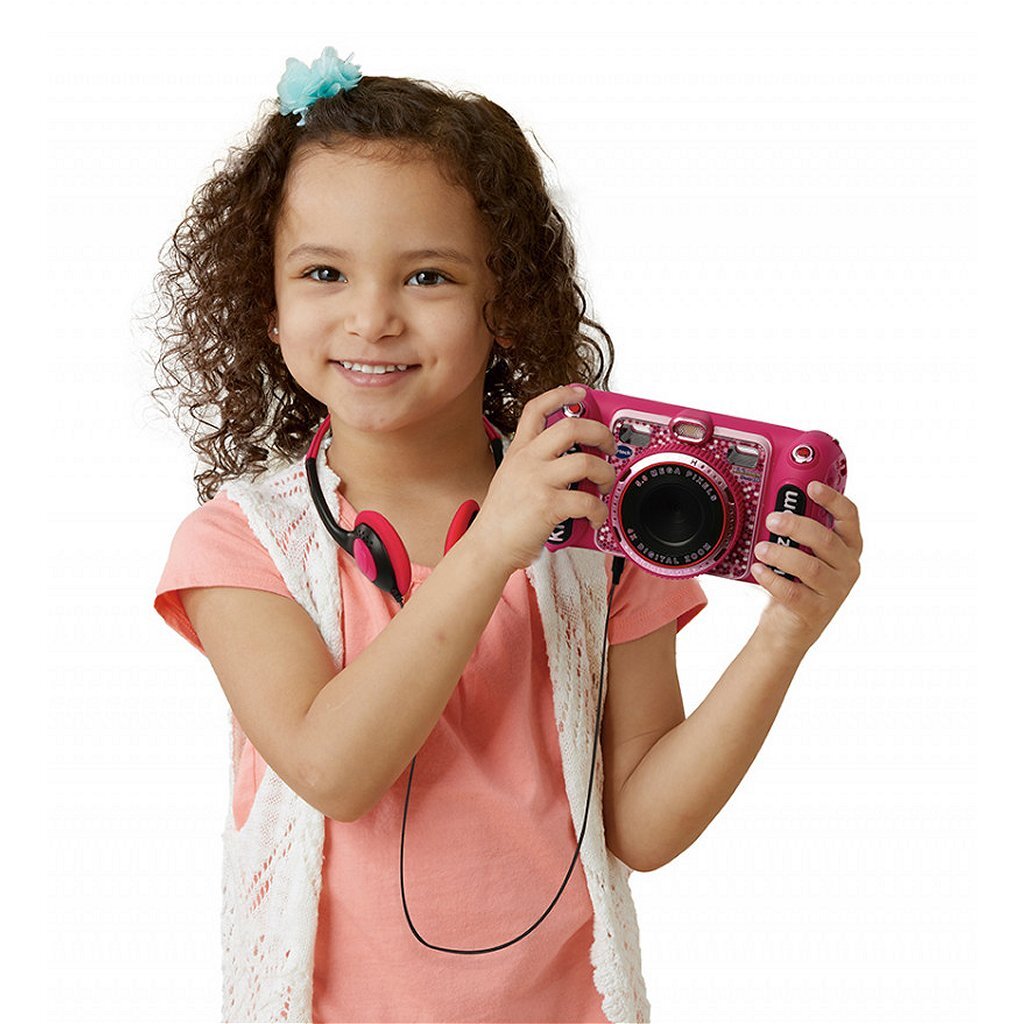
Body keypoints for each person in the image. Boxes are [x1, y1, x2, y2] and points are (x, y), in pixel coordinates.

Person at [150, 47, 862, 1024]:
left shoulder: (603, 527)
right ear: (265, 307)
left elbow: (642, 825)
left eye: (428, 276)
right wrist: (492, 545)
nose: (372, 317)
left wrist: (784, 635)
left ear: (507, 302)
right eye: (323, 272)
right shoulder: (241, 543)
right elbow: (333, 770)